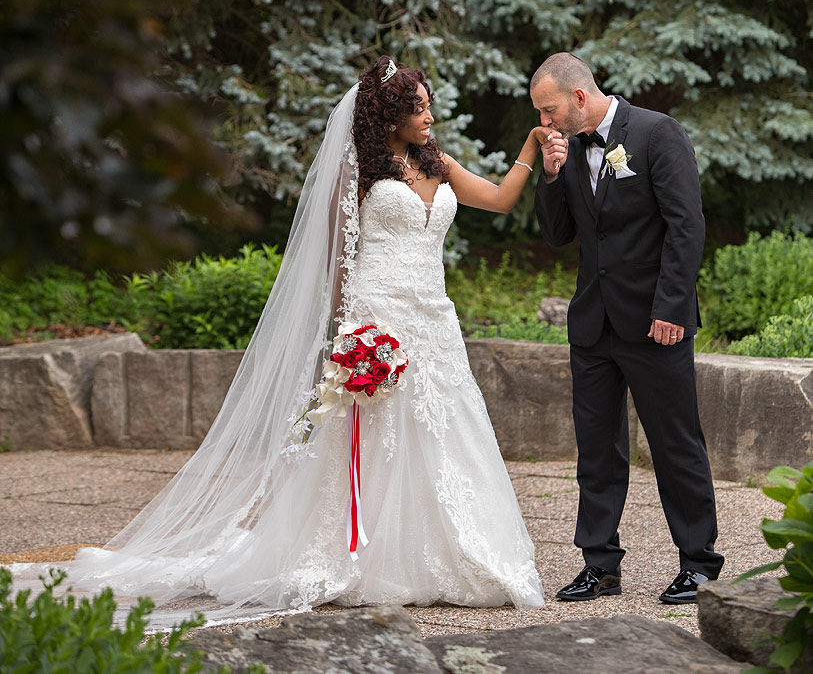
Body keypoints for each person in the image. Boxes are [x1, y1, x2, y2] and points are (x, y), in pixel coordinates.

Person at [8, 56, 545, 626]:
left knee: (444, 424)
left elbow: (499, 199)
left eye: (428, 105)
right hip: (379, 311)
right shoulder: (358, 171)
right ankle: (362, 556)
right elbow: (340, 260)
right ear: (389, 115)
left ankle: (446, 551)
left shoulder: (437, 162)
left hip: (434, 317)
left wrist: (531, 146)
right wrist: (348, 332)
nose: (429, 116)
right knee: (376, 434)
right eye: (418, 108)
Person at [531, 52, 724, 605]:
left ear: (579, 97)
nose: (544, 122)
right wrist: (551, 175)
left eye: (548, 110)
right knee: (596, 449)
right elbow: (558, 234)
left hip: (655, 322)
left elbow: (686, 226)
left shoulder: (658, 134)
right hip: (594, 324)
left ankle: (699, 564)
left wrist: (672, 307)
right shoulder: (567, 148)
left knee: (675, 443)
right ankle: (600, 565)